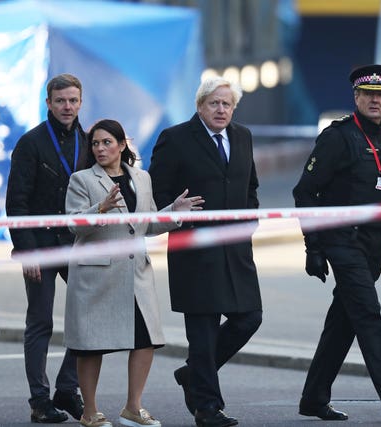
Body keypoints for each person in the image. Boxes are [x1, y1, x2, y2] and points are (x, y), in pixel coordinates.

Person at [292, 64, 381, 422]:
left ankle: (313, 399)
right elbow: (304, 192)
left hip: (375, 245)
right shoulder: (338, 136)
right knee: (367, 311)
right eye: (368, 94)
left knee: (344, 321)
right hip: (341, 239)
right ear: (356, 97)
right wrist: (313, 246)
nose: (375, 100)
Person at [65, 119, 204, 427]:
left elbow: (147, 224)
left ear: (122, 145)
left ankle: (133, 407)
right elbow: (73, 224)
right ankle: (89, 411)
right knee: (90, 345)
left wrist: (173, 213)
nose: (100, 149)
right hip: (96, 275)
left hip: (135, 273)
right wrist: (99, 209)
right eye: (95, 144)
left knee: (145, 341)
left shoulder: (141, 178)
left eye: (107, 142)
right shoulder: (81, 179)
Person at [149, 76, 262, 427]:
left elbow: (250, 185)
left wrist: (250, 220)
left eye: (227, 104)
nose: (221, 109)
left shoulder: (242, 136)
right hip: (195, 251)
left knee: (249, 318)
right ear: (200, 105)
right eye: (214, 103)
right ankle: (207, 408)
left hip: (235, 249)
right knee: (203, 331)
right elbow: (155, 191)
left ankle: (193, 374)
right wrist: (173, 209)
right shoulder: (176, 138)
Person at [5, 73, 90, 423]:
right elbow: (17, 202)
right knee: (40, 321)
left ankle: (67, 389)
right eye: (60, 101)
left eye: (72, 100)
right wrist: (25, 250)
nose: (67, 107)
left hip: (76, 244)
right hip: (39, 244)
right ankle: (40, 401)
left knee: (88, 318)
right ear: (48, 104)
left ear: (80, 102)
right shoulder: (31, 143)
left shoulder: (90, 141)